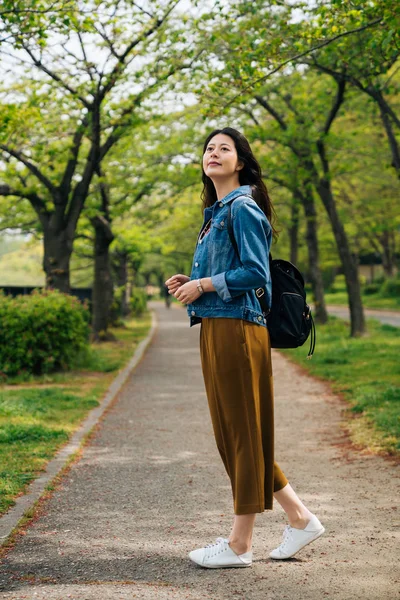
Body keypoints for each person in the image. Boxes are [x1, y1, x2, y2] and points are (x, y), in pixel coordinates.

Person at [165, 127, 325, 569]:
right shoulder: (215, 212)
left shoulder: (242, 208)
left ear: (241, 163)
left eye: (224, 148)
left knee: (239, 434)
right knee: (239, 434)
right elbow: (228, 272)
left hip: (238, 330)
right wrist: (192, 281)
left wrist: (205, 284)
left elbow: (257, 273)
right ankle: (300, 517)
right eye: (209, 148)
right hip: (218, 327)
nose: (213, 153)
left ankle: (240, 544)